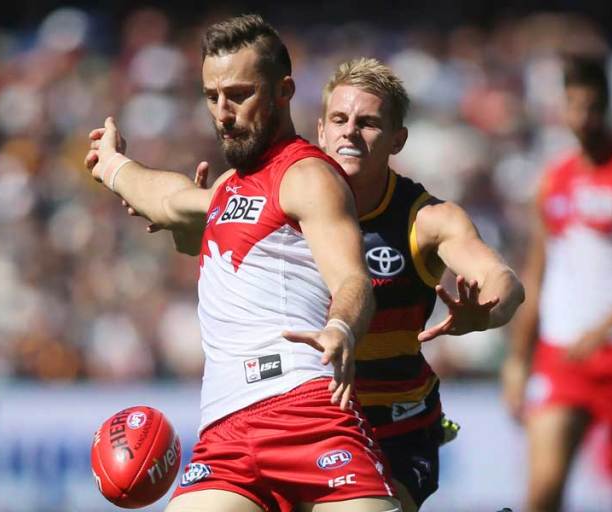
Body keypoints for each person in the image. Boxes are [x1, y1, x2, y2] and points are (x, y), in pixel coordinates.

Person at [85, 15, 401, 512]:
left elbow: (352, 279)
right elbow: (167, 199)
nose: (223, 112)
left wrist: (342, 326)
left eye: (238, 94)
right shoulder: (230, 187)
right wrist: (114, 166)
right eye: (211, 96)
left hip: (305, 410)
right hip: (225, 433)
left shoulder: (306, 175)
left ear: (283, 91)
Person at [315, 57, 524, 512]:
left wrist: (486, 312)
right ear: (320, 130)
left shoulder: (426, 219)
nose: (350, 131)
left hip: (397, 428)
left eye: (368, 122)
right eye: (339, 119)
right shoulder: (288, 203)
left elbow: (504, 282)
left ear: (397, 139)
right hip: (312, 421)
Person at [500, 56, 612, 512]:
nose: (582, 118)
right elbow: (538, 272)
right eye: (573, 106)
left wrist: (604, 328)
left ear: (607, 106)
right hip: (560, 355)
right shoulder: (553, 179)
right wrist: (519, 357)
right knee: (541, 493)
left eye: (591, 106)